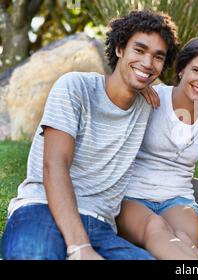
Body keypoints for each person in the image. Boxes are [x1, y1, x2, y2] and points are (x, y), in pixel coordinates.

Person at [1, 10, 179, 260]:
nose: (148, 63)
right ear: (119, 49)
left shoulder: (148, 102)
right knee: (34, 255)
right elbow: (55, 165)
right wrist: (80, 246)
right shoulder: (75, 87)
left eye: (157, 57)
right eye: (139, 50)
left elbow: (190, 96)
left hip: (100, 223)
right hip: (42, 208)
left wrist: (150, 86)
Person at [116, 38, 198, 260]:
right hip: (132, 196)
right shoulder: (151, 96)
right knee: (155, 228)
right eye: (196, 70)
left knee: (185, 237)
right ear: (182, 69)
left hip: (178, 200)